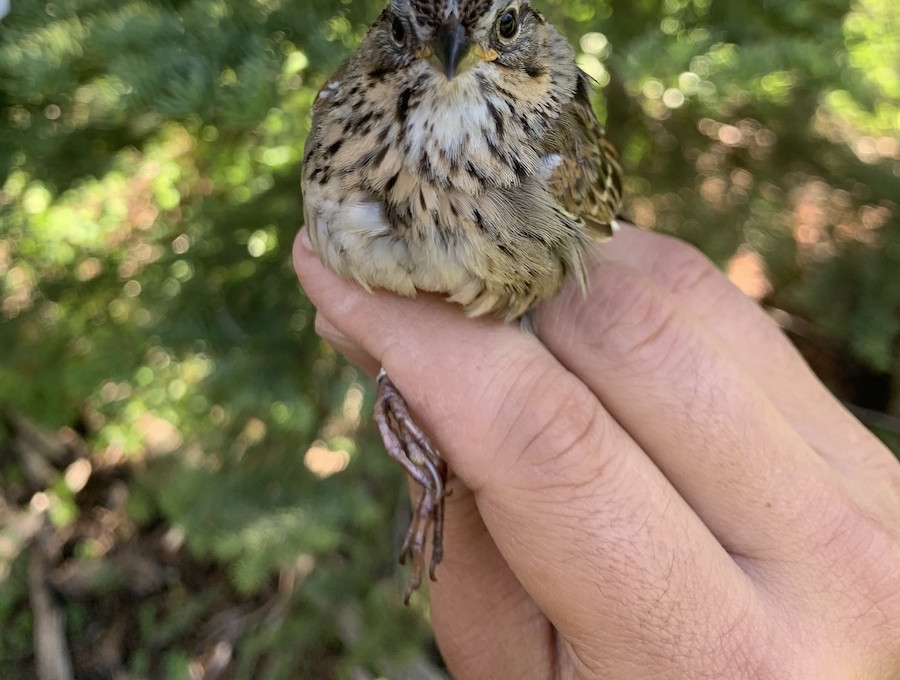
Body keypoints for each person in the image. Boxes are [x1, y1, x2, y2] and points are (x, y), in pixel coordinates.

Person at [293, 223, 900, 679]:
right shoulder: (343, 125)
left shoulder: (543, 149)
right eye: (403, 41)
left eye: (503, 41)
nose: (455, 52)